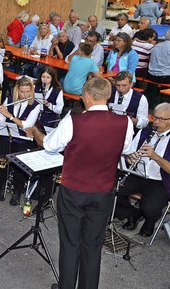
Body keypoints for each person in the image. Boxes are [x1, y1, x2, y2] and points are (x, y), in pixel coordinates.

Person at [26, 77, 134, 289]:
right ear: (108, 96)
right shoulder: (125, 122)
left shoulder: (73, 121)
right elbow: (126, 149)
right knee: (93, 246)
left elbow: (49, 145)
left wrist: (35, 131)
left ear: (86, 97)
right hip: (103, 192)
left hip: (74, 190)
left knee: (70, 243)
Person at [115, 103, 170, 237]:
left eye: (160, 119)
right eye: (154, 118)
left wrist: (155, 157)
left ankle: (149, 222)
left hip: (160, 180)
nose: (155, 122)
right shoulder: (145, 132)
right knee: (112, 191)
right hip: (137, 174)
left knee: (151, 208)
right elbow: (129, 153)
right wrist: (129, 158)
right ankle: (132, 214)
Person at [0, 77, 41, 205]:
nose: (25, 95)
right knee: (0, 154)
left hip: (24, 139)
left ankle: (18, 189)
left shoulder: (36, 105)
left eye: (27, 92)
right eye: (22, 92)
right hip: (8, 137)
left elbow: (27, 125)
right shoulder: (9, 100)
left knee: (20, 159)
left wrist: (9, 115)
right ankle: (2, 184)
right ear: (17, 91)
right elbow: (0, 121)